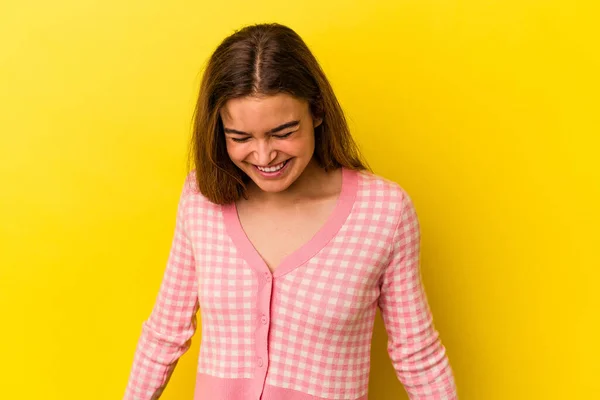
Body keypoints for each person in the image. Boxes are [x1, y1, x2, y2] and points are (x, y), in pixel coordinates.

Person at [124, 23, 457, 400]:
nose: (265, 157)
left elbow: (417, 354)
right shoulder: (201, 198)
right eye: (241, 138)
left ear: (316, 111)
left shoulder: (384, 213)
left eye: (283, 132)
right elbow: (164, 333)